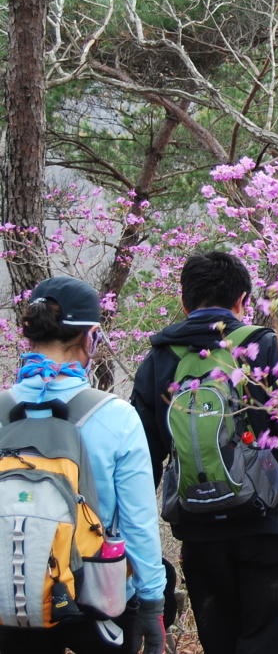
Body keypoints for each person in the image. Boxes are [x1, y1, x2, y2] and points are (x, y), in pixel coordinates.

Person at [131, 252, 278, 654]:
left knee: (220, 642)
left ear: (184, 303)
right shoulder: (269, 349)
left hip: (199, 529)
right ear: (242, 300)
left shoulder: (159, 360)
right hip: (270, 525)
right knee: (265, 639)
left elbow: (141, 461)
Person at [0, 277, 165, 653]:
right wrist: (152, 602)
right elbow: (138, 523)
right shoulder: (116, 417)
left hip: (12, 593)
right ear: (91, 337)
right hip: (98, 596)